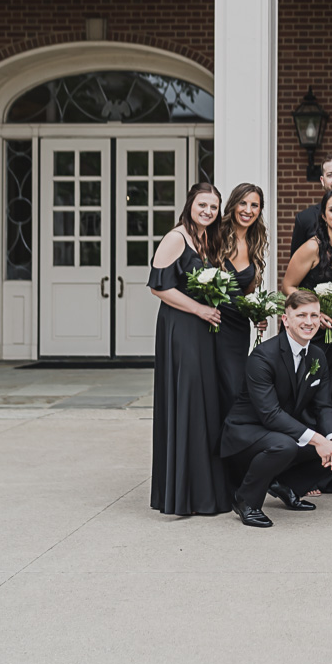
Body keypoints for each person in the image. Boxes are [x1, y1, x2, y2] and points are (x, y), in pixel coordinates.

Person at [221, 290, 332, 527]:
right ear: (286, 320)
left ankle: (288, 486)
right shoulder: (263, 356)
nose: (309, 322)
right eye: (301, 315)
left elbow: (324, 406)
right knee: (284, 446)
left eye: (314, 315)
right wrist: (317, 440)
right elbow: (269, 413)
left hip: (283, 431)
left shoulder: (317, 356)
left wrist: (331, 440)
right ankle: (246, 501)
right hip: (247, 432)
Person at [147, 182, 232, 516]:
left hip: (204, 328)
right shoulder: (176, 238)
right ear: (190, 204)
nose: (208, 211)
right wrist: (199, 310)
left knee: (203, 404)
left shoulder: (207, 239)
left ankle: (202, 489)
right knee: (188, 402)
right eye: (203, 205)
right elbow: (158, 287)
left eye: (213, 207)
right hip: (181, 328)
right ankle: (183, 494)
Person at [281, 188, 332, 428]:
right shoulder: (311, 248)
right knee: (312, 388)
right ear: (323, 216)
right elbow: (288, 285)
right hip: (315, 332)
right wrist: (314, 312)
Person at [214, 182, 269, 422]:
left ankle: (231, 443)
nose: (248, 210)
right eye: (243, 203)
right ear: (233, 205)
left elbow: (247, 291)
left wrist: (258, 312)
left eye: (254, 205)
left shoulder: (255, 242)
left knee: (235, 387)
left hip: (238, 327)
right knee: (214, 386)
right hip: (213, 322)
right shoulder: (214, 236)